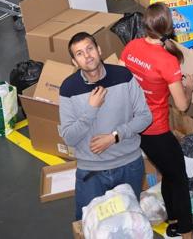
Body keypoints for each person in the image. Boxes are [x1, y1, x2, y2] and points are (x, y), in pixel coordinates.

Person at [121, 4, 193, 239]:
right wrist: (189, 88)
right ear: (169, 28)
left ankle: (173, 220)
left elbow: (125, 79)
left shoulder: (132, 47)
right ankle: (186, 233)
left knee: (169, 171)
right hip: (156, 129)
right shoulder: (167, 61)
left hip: (135, 124)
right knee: (180, 179)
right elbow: (182, 105)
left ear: (146, 25)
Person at [58, 32, 152, 221]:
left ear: (99, 50)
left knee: (129, 224)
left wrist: (114, 137)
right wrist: (91, 110)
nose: (87, 56)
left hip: (129, 164)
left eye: (90, 49)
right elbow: (69, 137)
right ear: (74, 62)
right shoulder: (68, 89)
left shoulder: (123, 76)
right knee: (89, 226)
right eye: (79, 54)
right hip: (91, 172)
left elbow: (145, 117)